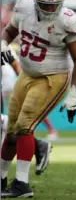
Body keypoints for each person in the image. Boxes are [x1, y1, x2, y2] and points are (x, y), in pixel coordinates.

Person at [0, 0, 76, 198]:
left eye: (54, 4)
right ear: (35, 0)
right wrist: (3, 45)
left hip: (53, 77)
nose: (50, 8)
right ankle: (1, 181)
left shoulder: (68, 20)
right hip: (27, 74)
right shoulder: (24, 6)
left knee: (24, 126)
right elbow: (9, 32)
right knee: (10, 132)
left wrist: (74, 94)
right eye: (45, 4)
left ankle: (22, 185)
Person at [1, 46, 52, 177]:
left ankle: (38, 145)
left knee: (11, 124)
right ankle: (39, 145)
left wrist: (23, 86)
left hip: (8, 86)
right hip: (8, 86)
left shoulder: (4, 45)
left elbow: (14, 63)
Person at [1, 45, 59, 141]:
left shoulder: (5, 46)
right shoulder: (7, 46)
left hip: (8, 84)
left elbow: (16, 65)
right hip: (10, 83)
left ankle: (48, 132)